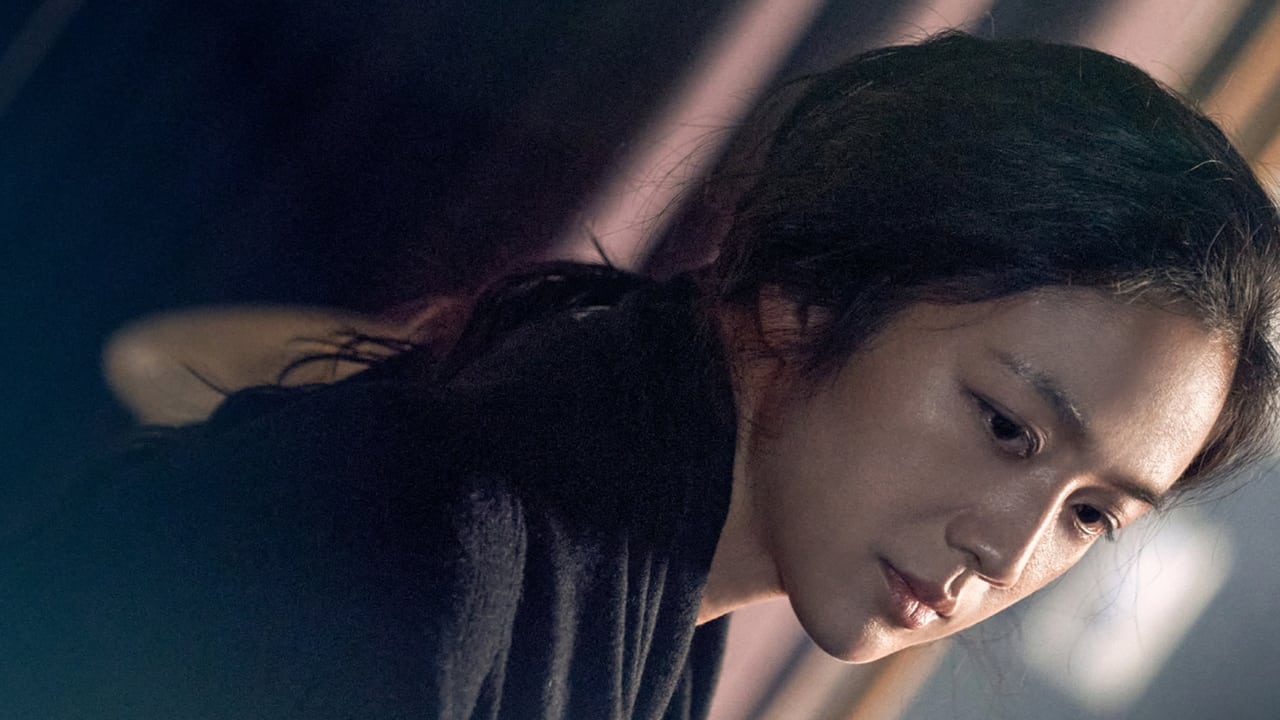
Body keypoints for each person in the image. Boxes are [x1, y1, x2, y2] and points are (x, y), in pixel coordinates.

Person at [10, 31, 1280, 719]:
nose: (1004, 550)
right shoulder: (404, 556)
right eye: (1004, 427)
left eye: (1091, 514)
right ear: (807, 293)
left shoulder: (635, 637)